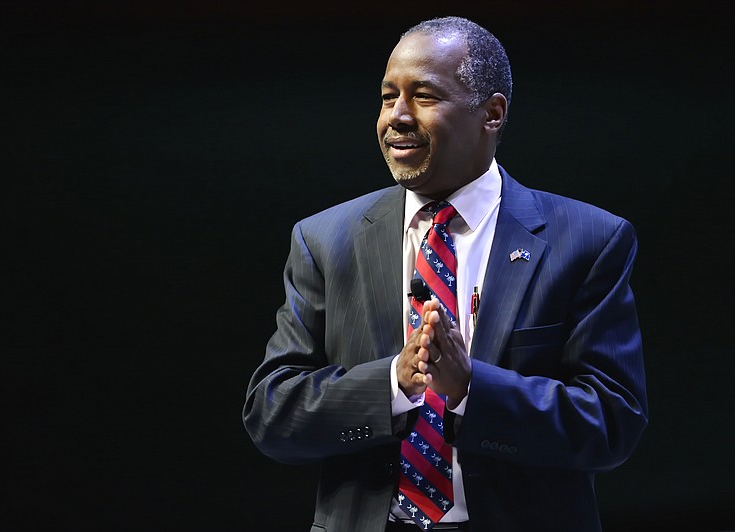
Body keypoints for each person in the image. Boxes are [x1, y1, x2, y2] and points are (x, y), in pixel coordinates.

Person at [243, 16, 648, 532]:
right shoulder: (326, 240)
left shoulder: (587, 241)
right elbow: (272, 414)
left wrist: (471, 389)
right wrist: (393, 383)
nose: (397, 116)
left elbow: (612, 424)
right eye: (388, 97)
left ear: (492, 113)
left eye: (425, 96)